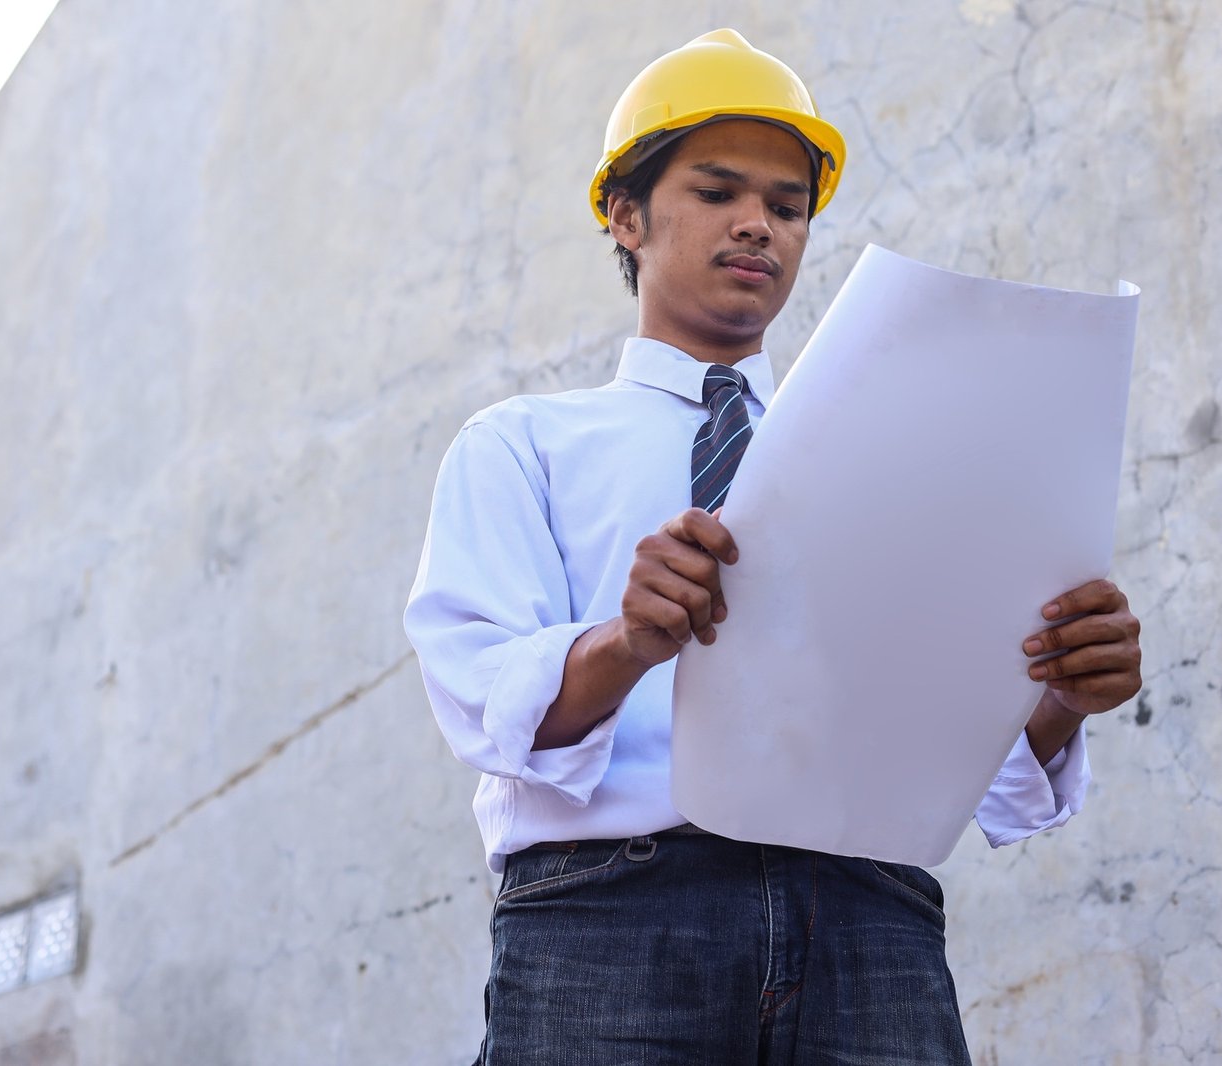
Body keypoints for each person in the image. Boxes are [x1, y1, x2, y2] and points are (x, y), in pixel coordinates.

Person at [405, 28, 1142, 1065]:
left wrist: (1061, 694)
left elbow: (945, 724)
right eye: (716, 191)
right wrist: (626, 640)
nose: (758, 224)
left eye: (788, 206)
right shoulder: (522, 444)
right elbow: (481, 696)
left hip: (865, 911)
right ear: (623, 213)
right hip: (611, 919)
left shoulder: (893, 451)